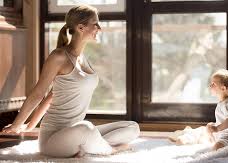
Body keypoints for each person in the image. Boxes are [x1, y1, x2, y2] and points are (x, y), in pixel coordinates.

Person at [2, 5, 140, 158]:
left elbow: (52, 95)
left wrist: (31, 125)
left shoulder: (83, 58)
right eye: (95, 24)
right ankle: (111, 150)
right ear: (81, 27)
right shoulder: (59, 56)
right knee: (86, 128)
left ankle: (88, 146)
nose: (99, 28)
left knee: (132, 127)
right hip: (53, 139)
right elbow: (38, 93)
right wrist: (18, 124)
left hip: (75, 132)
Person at [169, 66, 228, 151]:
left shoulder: (227, 104)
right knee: (207, 127)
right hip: (222, 133)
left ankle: (192, 137)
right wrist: (214, 126)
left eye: (213, 84)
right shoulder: (222, 102)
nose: (210, 85)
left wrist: (217, 128)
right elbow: (223, 121)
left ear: (223, 88)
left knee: (217, 147)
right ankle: (188, 135)